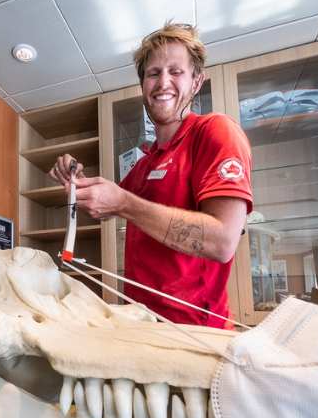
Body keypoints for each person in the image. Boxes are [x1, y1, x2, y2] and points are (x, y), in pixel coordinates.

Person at [50, 22, 253, 328]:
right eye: (153, 73)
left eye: (176, 71)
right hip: (140, 322)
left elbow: (223, 242)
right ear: (143, 84)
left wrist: (124, 203)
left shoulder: (214, 131)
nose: (163, 83)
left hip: (196, 330)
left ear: (197, 81)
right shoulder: (145, 164)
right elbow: (106, 208)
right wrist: (77, 182)